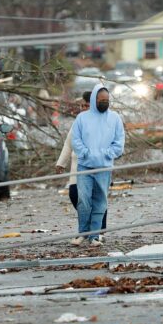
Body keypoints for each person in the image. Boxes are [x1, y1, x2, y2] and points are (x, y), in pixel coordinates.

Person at [70, 84, 125, 247]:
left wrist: (106, 154)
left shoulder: (114, 118)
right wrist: (86, 153)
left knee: (100, 201)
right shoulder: (82, 118)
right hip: (85, 166)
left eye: (107, 100)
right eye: (101, 100)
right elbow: (75, 140)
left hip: (104, 167)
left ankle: (94, 236)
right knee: (84, 200)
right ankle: (83, 233)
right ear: (94, 100)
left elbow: (119, 142)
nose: (104, 103)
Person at [55, 92, 108, 234]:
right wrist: (61, 163)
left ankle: (98, 231)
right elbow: (68, 143)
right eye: (82, 105)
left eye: (86, 105)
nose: (83, 108)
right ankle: (90, 227)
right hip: (76, 167)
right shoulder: (78, 122)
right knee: (75, 195)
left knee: (97, 199)